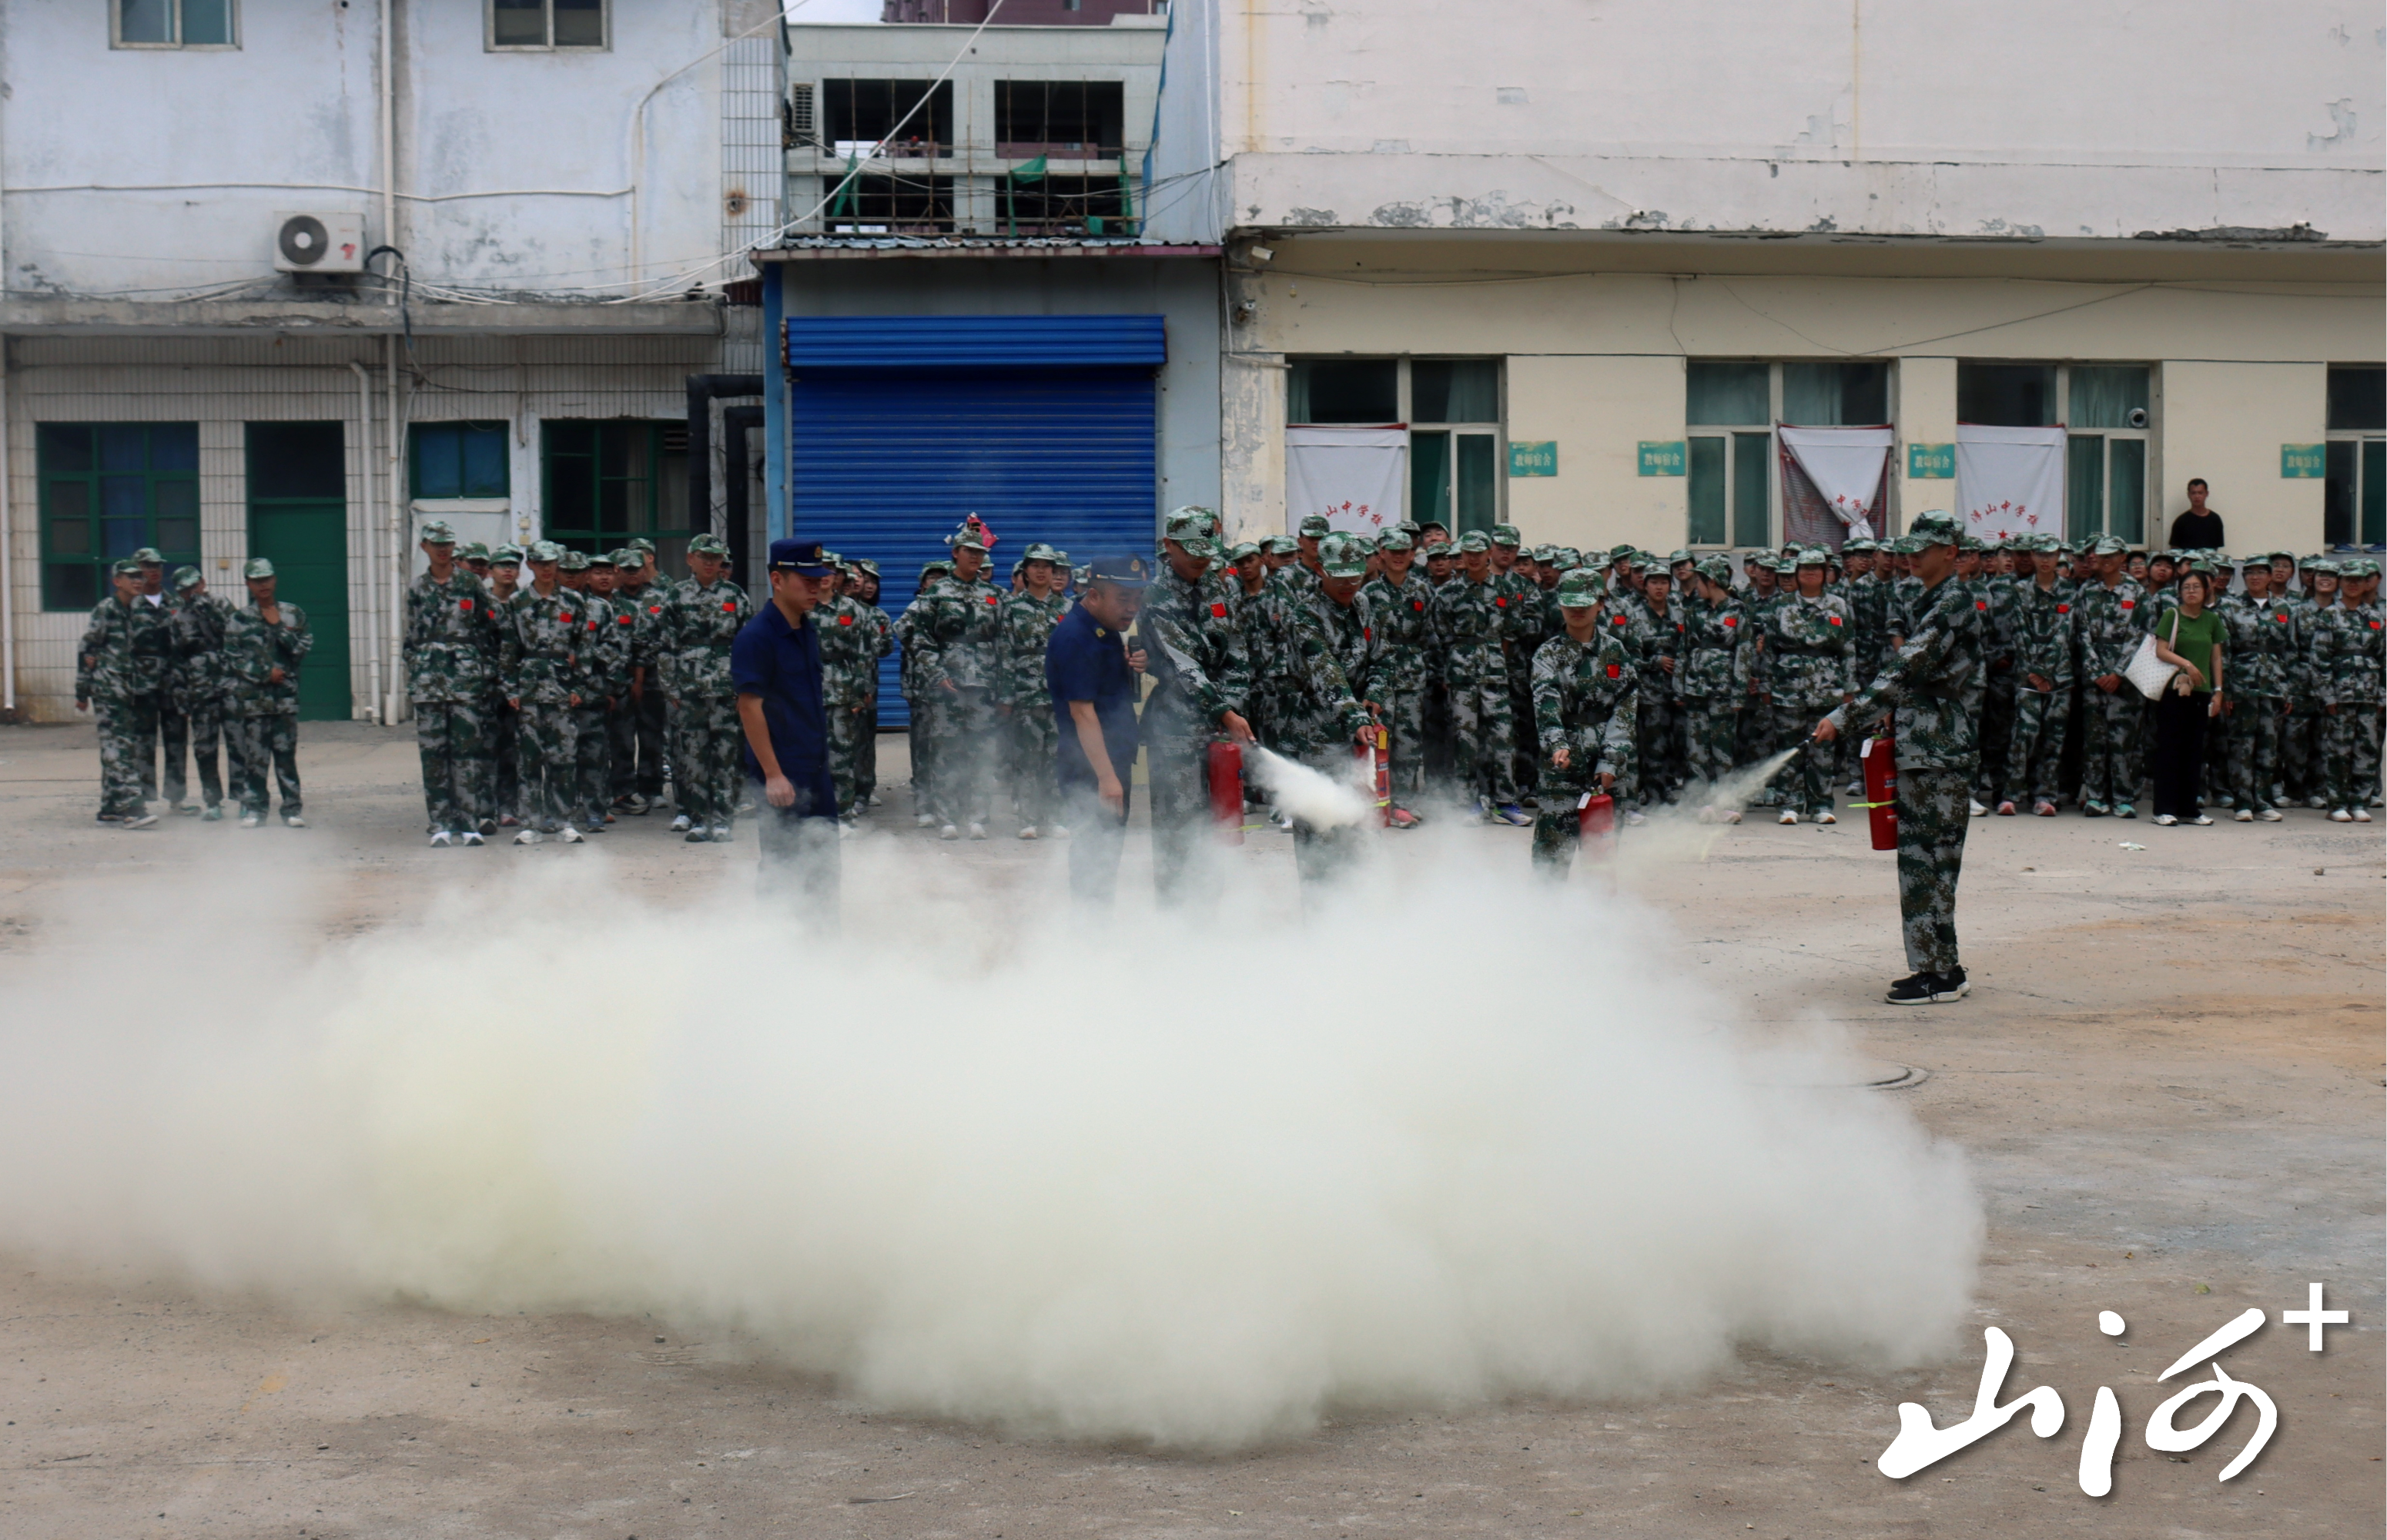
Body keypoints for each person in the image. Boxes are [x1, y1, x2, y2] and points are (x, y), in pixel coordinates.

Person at [1814, 511, 1980, 1006]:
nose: (1913, 555)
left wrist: (1847, 717)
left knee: (1928, 862)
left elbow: (1907, 668)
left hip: (1936, 749)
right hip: (1922, 745)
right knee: (1922, 860)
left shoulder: (1951, 603)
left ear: (1950, 553)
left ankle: (1938, 975)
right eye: (1910, 547)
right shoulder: (1932, 599)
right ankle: (1938, 965)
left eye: (1924, 548)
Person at [1136, 510, 1254, 910]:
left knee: (1217, 828)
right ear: (1169, 546)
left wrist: (1231, 706)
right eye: (1192, 552)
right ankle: (1177, 925)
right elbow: (1183, 664)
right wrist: (1226, 713)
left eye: (1208, 551)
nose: (1201, 560)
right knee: (1178, 832)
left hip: (1218, 729)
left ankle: (1209, 919)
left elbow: (1237, 651)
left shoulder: (1217, 589)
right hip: (1175, 732)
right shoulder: (1155, 597)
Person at [732, 540, 841, 922]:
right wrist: (774, 775)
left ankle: (823, 949)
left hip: (815, 769)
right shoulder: (757, 636)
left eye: (819, 580)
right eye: (805, 580)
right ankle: (776, 953)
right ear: (777, 579)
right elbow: (749, 707)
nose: (816, 587)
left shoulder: (806, 630)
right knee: (783, 870)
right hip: (783, 774)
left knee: (824, 868)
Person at [1046, 554, 1150, 909]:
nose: (1132, 608)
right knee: (1094, 852)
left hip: (1110, 760)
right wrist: (1106, 778)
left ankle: (1097, 931)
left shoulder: (1102, 631)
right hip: (1090, 767)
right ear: (1093, 595)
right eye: (1123, 598)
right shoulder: (1077, 637)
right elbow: (1082, 713)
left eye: (1137, 599)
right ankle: (1089, 938)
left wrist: (1123, 664)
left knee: (1106, 853)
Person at [1528, 570, 1638, 879]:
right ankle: (1547, 917)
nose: (1578, 611)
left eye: (1585, 604)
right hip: (1562, 764)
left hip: (1607, 765)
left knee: (1602, 853)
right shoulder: (1548, 654)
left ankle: (1597, 920)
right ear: (1559, 606)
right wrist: (1557, 744)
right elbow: (1545, 701)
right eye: (1570, 604)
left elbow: (1626, 708)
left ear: (1600, 604)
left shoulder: (1616, 652)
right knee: (1552, 852)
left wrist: (1611, 761)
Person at [403, 520, 501, 846]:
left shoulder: (470, 585)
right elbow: (411, 638)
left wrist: (483, 670)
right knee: (433, 755)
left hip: (465, 681)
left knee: (467, 752)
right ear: (425, 547)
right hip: (429, 681)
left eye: (448, 543)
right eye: (436, 543)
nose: (443, 549)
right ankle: (441, 823)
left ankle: (470, 821)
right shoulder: (417, 589)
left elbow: (492, 626)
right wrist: (417, 670)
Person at [909, 526, 1004, 840]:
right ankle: (946, 816)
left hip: (983, 685)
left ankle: (978, 815)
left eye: (980, 553)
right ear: (956, 553)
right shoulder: (937, 593)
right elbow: (915, 634)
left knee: (982, 750)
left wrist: (1002, 683)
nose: (976, 557)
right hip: (946, 685)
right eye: (969, 551)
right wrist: (934, 673)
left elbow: (1006, 640)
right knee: (946, 750)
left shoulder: (995, 595)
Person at [662, 534, 752, 842]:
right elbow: (665, 645)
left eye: (716, 557)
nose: (711, 562)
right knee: (693, 754)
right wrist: (670, 687)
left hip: (726, 687)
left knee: (726, 754)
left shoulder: (735, 595)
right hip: (689, 687)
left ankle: (723, 818)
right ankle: (699, 819)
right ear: (691, 559)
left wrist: (746, 687)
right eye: (704, 556)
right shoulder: (675, 595)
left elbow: (747, 644)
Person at [1759, 547, 1855, 825]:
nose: (1810, 573)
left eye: (1816, 568)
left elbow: (1848, 648)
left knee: (1822, 748)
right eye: (1804, 569)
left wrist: (1850, 687)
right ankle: (1788, 804)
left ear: (1826, 574)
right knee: (1788, 745)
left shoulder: (1838, 605)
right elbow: (1768, 651)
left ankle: (1821, 804)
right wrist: (1766, 684)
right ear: (1797, 574)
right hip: (1787, 685)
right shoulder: (1780, 605)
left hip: (1827, 684)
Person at [73, 557, 169, 828]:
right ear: (117, 582)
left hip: (125, 690)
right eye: (131, 577)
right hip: (107, 689)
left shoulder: (133, 610)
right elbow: (87, 648)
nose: (138, 581)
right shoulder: (107, 609)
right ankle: (132, 808)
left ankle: (110, 808)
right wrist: (82, 693)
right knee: (120, 749)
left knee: (115, 747)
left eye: (140, 577)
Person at [1438, 531, 1527, 824]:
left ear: (1488, 552)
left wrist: (1493, 659)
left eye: (1479, 552)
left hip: (1495, 673)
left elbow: (1511, 633)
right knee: (1466, 740)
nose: (1473, 558)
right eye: (1468, 552)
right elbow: (1440, 636)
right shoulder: (1448, 593)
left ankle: (1505, 803)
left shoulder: (1506, 590)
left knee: (1503, 737)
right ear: (1460, 555)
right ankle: (1469, 803)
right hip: (1461, 674)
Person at [221, 557, 313, 829]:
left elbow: (301, 650)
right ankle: (255, 810)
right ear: (248, 584)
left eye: (267, 579)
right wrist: (264, 672)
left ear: (274, 580)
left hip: (284, 700)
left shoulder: (293, 614)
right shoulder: (238, 620)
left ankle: (292, 810)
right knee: (255, 760)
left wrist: (278, 627)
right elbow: (232, 659)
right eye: (256, 580)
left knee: (286, 757)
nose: (263, 585)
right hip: (253, 702)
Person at [2073, 535, 2151, 819]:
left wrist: (2118, 673)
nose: (2105, 561)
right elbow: (2081, 635)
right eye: (2101, 556)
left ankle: (2123, 797)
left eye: (2111, 556)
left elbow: (2140, 636)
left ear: (2122, 559)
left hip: (2126, 681)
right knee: (2095, 739)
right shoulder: (2087, 592)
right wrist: (2096, 672)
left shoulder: (2137, 592)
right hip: (2094, 680)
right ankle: (2096, 797)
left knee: (2124, 740)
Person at [997, 542, 1070, 839]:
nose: (1042, 571)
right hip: (1026, 694)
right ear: (1025, 571)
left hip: (1060, 694)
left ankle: (1053, 817)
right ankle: (1028, 819)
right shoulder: (1012, 608)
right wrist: (1006, 696)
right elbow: (1004, 654)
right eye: (1036, 565)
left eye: (1047, 566)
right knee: (1027, 757)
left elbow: (1076, 653)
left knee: (1056, 757)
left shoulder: (1067, 607)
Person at [2147, 568, 2225, 827]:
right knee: (2170, 750)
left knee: (2194, 751)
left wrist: (2218, 690)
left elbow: (2216, 656)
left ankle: (2189, 809)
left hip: (2200, 693)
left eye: (2196, 587)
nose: (2191, 592)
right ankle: (2164, 809)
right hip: (2173, 691)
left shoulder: (2212, 619)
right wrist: (2188, 664)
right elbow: (2160, 650)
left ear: (2206, 591)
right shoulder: (2172, 615)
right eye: (2186, 587)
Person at [2004, 536, 2075, 817]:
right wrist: (2035, 673)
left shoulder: (2070, 590)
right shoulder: (2019, 590)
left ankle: (2045, 795)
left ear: (2058, 556)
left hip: (2060, 678)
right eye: (2039, 554)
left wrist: (2047, 672)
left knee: (2053, 737)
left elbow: (2065, 633)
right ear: (2032, 557)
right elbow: (2019, 632)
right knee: (2024, 734)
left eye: (2051, 554)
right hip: (2027, 677)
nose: (2045, 560)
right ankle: (2011, 793)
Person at [2316, 557, 2386, 821]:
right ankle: (2337, 804)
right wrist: (2327, 694)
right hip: (2340, 695)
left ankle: (2360, 802)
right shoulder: (2330, 615)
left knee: (2366, 749)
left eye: (2359, 580)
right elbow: (2320, 659)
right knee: (2338, 750)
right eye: (2349, 580)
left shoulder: (2375, 617)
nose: (2354, 585)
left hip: (2369, 694)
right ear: (2340, 583)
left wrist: (2383, 694)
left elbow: (2383, 659)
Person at [165, 567, 231, 821]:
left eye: (195, 587)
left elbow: (236, 636)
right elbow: (176, 661)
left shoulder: (221, 604)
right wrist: (182, 700)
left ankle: (246, 798)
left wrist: (208, 609)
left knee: (239, 745)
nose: (191, 594)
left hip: (229, 686)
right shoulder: (178, 618)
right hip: (200, 690)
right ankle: (212, 801)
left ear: (203, 582)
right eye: (185, 590)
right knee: (205, 748)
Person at [2168, 478, 2225, 551]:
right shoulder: (2181, 521)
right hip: (2186, 560)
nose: (2197, 496)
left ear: (2207, 494)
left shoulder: (2215, 520)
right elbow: (2175, 547)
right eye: (2193, 493)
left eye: (2200, 493)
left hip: (2208, 561)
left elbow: (2215, 547)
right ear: (2189, 495)